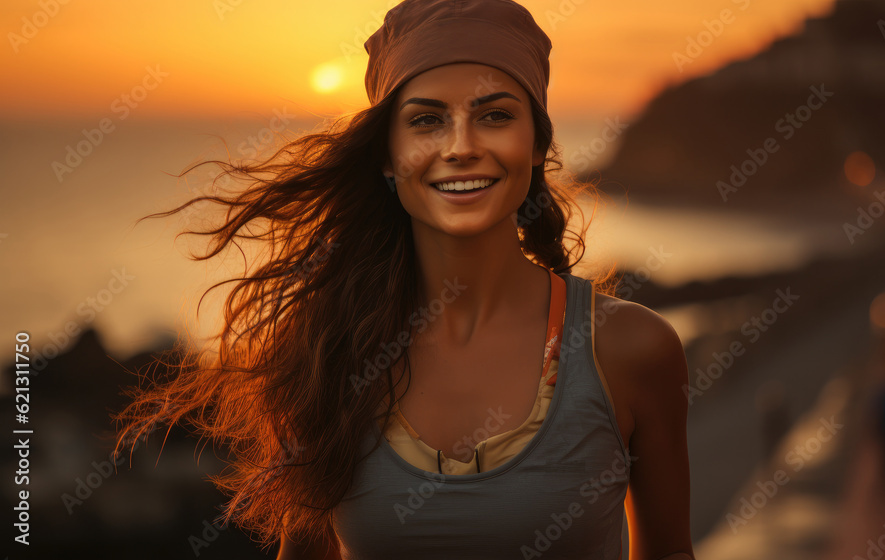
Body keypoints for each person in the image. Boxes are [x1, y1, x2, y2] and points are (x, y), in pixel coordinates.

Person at [115, 1, 694, 558]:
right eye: (426, 121)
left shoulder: (631, 350)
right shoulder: (330, 351)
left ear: (538, 144)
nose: (462, 146)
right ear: (388, 156)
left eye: (495, 115)